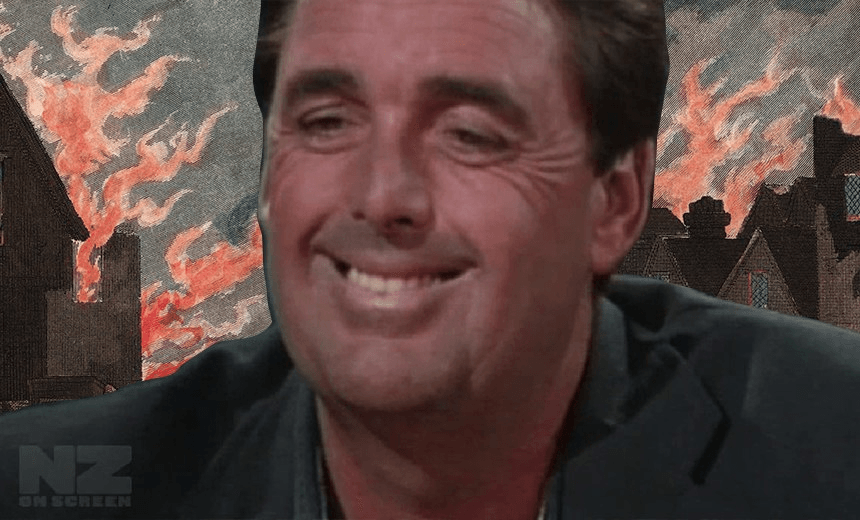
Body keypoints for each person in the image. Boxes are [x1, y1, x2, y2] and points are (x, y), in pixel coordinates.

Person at [2, 0, 860, 518]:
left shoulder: (833, 447)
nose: (383, 197)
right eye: (327, 121)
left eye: (469, 133)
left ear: (615, 199)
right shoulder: (45, 486)